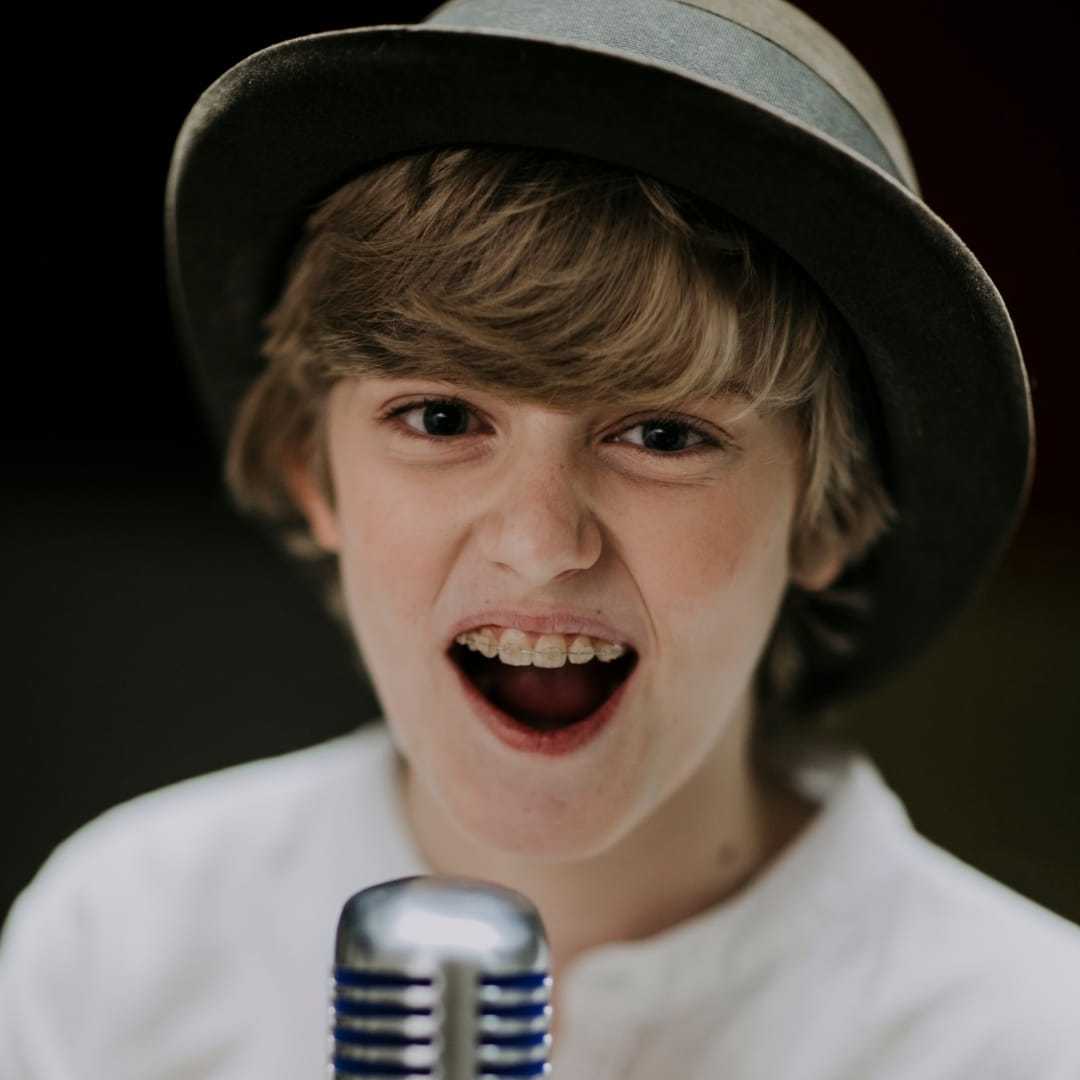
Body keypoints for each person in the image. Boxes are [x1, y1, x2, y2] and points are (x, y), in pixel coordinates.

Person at [2, 1, 1078, 1077]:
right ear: (310, 471)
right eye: (440, 419)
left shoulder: (1018, 1036)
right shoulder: (127, 949)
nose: (539, 541)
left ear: (827, 515)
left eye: (661, 434)